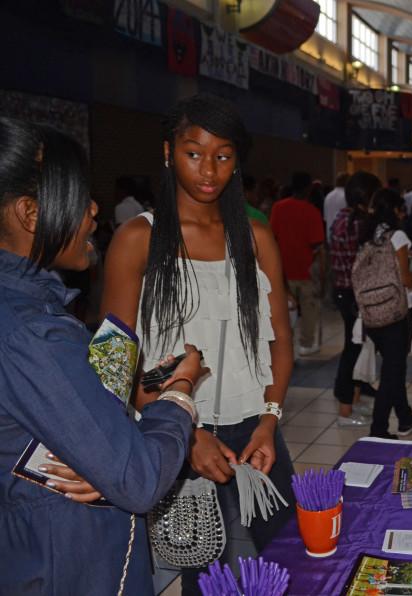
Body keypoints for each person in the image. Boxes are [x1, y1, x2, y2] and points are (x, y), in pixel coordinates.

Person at [0, 117, 207, 594]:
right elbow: (138, 477)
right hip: (67, 565)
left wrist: (100, 454)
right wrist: (179, 393)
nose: (93, 209)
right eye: (77, 197)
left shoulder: (32, 309)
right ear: (31, 213)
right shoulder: (32, 333)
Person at [101, 94, 296, 595]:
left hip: (256, 431)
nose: (208, 169)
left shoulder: (255, 237)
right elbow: (111, 361)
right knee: (208, 573)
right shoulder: (137, 238)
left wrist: (271, 419)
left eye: (224, 155)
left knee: (285, 556)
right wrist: (183, 436)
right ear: (169, 153)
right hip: (174, 432)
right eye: (194, 153)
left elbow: (280, 340)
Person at [358, 189, 412, 438]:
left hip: (371, 313)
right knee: (392, 374)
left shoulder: (367, 233)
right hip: (394, 314)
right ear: (395, 210)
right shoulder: (398, 235)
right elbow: (406, 279)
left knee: (395, 368)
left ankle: (405, 417)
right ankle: (378, 429)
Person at [330, 171, 381, 427]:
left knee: (356, 345)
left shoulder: (341, 218)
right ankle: (345, 409)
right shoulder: (359, 224)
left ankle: (355, 398)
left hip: (343, 291)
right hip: (355, 294)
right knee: (352, 348)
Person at [270, 171, 325, 356]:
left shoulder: (278, 207)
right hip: (306, 270)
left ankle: (286, 344)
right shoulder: (312, 212)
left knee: (284, 312)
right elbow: (317, 244)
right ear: (309, 188)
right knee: (309, 309)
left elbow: (273, 236)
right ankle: (306, 344)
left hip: (282, 271)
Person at [323, 172, 349, 243]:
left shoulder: (328, 196)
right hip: (343, 237)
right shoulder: (347, 196)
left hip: (330, 236)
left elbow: (325, 218)